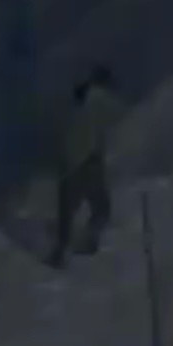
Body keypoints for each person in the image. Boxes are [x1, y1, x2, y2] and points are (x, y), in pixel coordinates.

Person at [51, 68, 119, 265]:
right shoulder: (98, 99)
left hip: (72, 166)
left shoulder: (77, 112)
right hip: (89, 163)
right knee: (101, 208)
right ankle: (85, 243)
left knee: (67, 211)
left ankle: (61, 252)